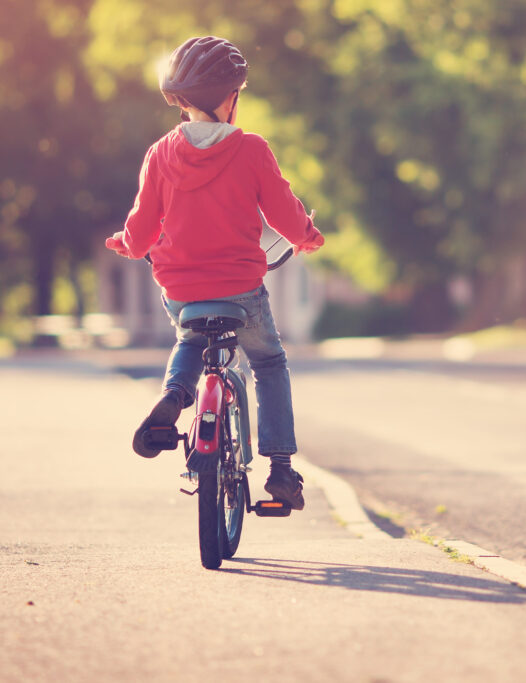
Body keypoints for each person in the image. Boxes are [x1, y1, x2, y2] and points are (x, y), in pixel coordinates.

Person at [105, 36, 324, 511]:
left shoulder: (160, 154)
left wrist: (127, 244)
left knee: (189, 338)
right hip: (241, 290)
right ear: (231, 97)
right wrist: (306, 234)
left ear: (180, 100)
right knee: (268, 364)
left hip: (183, 290)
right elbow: (285, 214)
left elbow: (141, 229)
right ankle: (281, 468)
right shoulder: (251, 149)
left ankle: (175, 394)